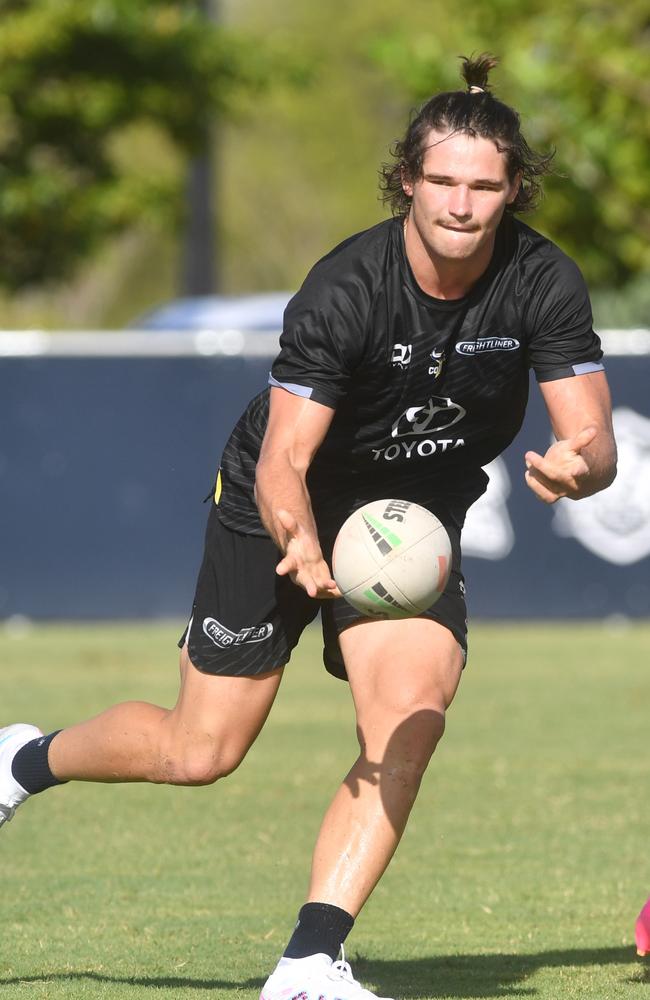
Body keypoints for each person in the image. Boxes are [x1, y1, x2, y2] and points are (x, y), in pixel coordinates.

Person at [0, 54, 617, 1000]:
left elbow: (594, 437)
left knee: (411, 716)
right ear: (407, 178)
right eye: (442, 180)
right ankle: (26, 759)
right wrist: (295, 537)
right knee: (198, 751)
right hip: (276, 500)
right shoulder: (348, 287)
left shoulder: (543, 280)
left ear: (513, 190)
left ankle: (309, 961)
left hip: (411, 517)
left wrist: (582, 466)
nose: (461, 203)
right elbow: (288, 458)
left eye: (484, 185)